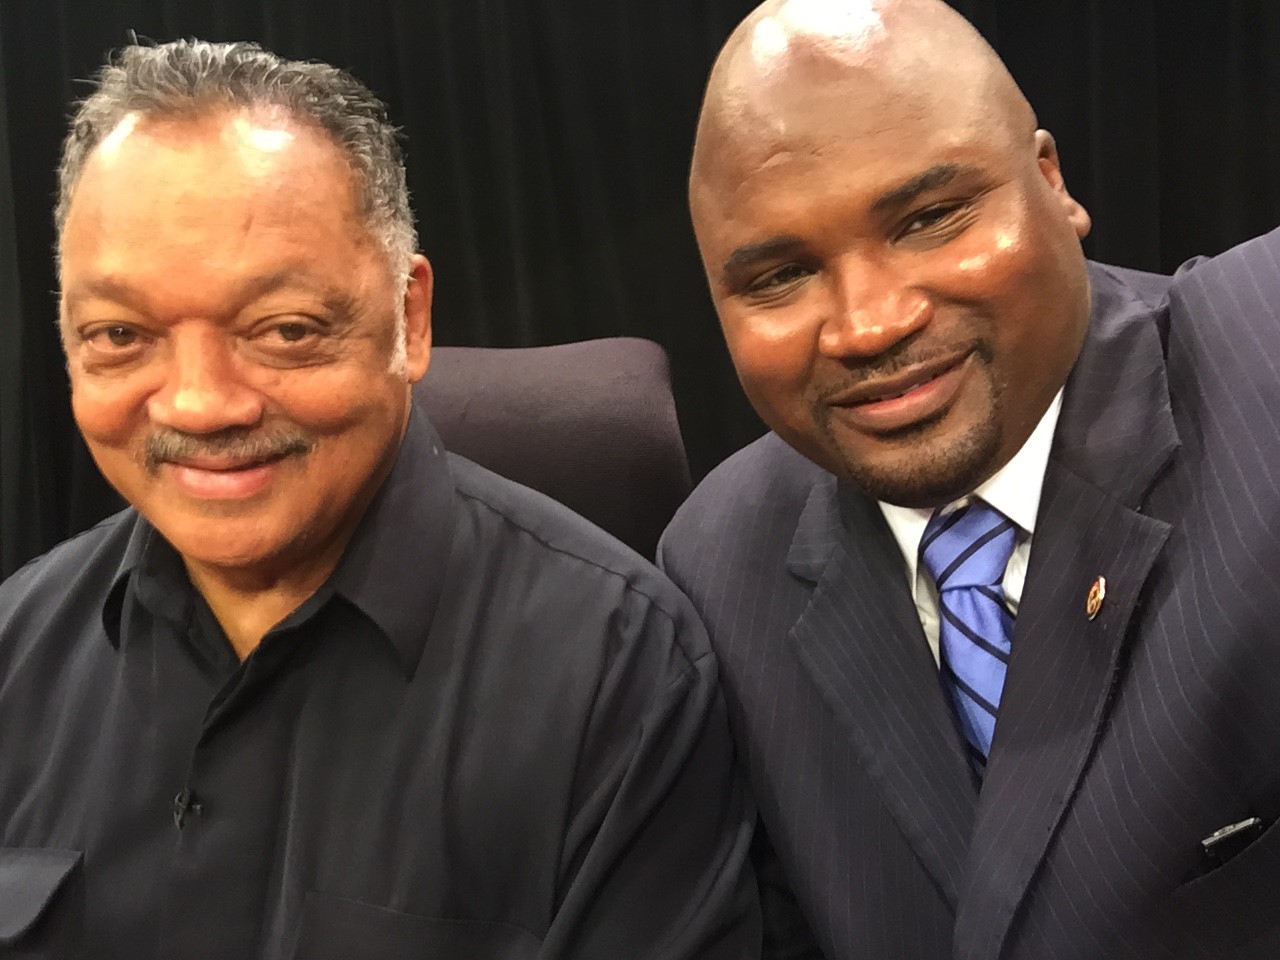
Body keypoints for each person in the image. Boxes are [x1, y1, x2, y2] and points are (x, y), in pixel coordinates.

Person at [0, 40, 758, 958]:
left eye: (284, 329)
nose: (198, 404)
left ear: (409, 317)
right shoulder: (15, 656)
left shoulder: (622, 675)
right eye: (120, 335)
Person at [659, 1, 1280, 958]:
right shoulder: (718, 563)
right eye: (779, 277)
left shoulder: (1261, 364)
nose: (869, 324)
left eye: (929, 218)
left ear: (1051, 181)